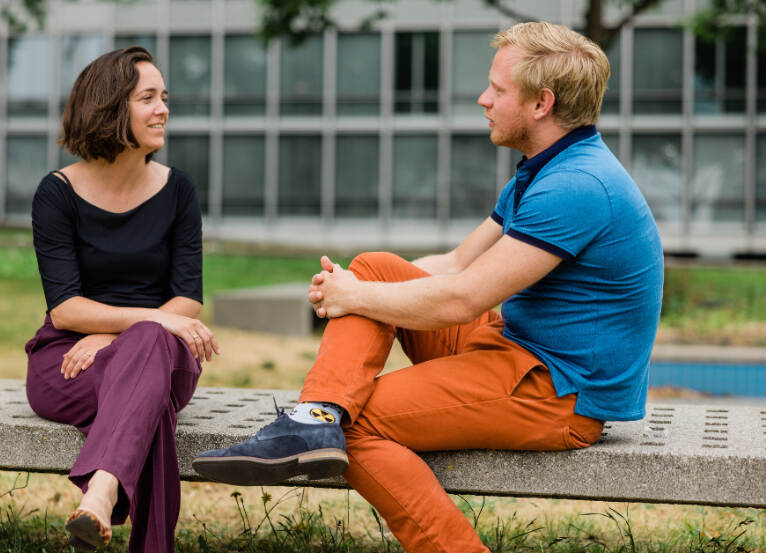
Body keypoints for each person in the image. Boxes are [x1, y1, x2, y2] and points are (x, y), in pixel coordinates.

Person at [193, 21, 664, 553]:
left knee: (357, 424)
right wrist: (356, 287)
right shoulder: (546, 169)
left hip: (557, 393)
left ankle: (337, 433)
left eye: (499, 89)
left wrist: (356, 299)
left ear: (541, 104)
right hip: (514, 351)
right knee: (374, 266)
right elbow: (455, 263)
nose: (482, 98)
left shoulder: (577, 186)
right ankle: (318, 412)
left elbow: (463, 298)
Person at [24, 46, 219, 553]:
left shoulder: (179, 192)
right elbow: (65, 308)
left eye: (165, 97)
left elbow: (187, 301)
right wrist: (138, 326)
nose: (164, 109)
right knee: (150, 407)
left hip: (160, 352)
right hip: (69, 359)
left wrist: (118, 331)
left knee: (151, 346)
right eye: (148, 98)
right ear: (111, 108)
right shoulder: (57, 193)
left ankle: (102, 491)